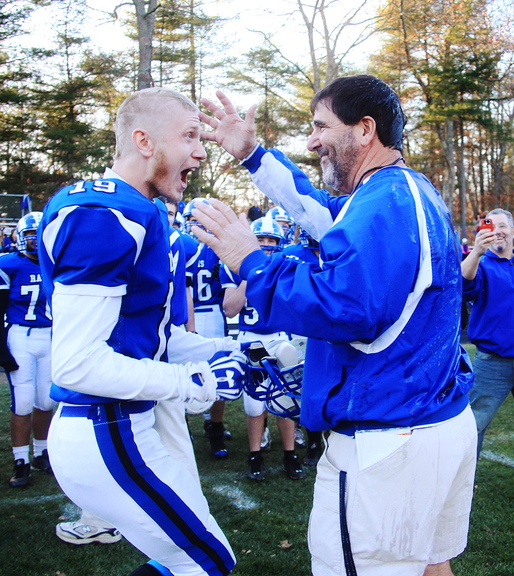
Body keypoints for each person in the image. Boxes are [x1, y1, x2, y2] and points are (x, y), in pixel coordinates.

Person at [192, 76, 477, 576]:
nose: (311, 140)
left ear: (365, 130)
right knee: (432, 566)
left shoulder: (386, 202)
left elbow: (344, 309)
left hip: (388, 439)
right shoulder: (397, 192)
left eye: (322, 126)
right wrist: (252, 154)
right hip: (431, 422)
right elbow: (316, 210)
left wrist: (251, 261)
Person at [38, 87, 248, 576]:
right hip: (104, 427)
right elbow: (77, 363)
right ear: (144, 141)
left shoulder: (139, 210)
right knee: (207, 560)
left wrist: (232, 347)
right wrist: (191, 383)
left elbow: (148, 337)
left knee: (192, 558)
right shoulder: (104, 217)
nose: (201, 150)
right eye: (190, 136)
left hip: (122, 424)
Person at [220, 216, 305, 481]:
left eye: (271, 240)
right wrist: (252, 274)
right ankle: (255, 455)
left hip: (281, 337)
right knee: (255, 404)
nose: (267, 245)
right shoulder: (235, 266)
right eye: (262, 240)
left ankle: (290, 455)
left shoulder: (285, 266)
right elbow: (230, 307)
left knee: (286, 397)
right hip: (251, 340)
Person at [0, 212, 55, 488]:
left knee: (46, 400)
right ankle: (20, 461)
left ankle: (41, 452)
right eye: (30, 237)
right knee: (22, 400)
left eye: (39, 237)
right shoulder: (7, 264)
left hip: (50, 337)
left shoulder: (55, 264)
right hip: (21, 336)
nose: (35, 243)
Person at [462, 208, 514, 456]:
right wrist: (476, 251)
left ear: (512, 230)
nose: (497, 231)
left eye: (502, 225)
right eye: (490, 226)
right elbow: (463, 283)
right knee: (474, 425)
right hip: (493, 362)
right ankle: (461, 486)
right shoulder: (481, 264)